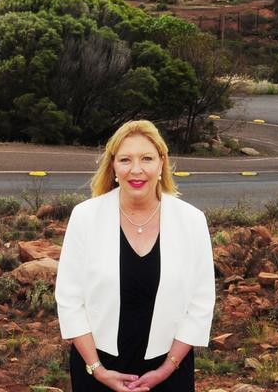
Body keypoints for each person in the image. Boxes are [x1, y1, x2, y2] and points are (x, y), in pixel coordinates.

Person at [55, 120, 216, 392]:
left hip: (170, 369)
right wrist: (98, 370)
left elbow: (200, 302)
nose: (136, 169)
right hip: (97, 370)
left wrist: (166, 369)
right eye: (126, 159)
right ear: (113, 166)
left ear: (162, 163)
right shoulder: (85, 217)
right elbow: (69, 300)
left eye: (147, 159)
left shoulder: (191, 220)